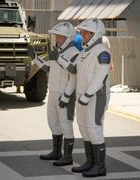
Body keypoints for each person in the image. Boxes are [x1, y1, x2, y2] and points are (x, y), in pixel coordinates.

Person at [58, 19, 111, 177]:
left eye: (86, 32)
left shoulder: (102, 51)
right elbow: (74, 71)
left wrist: (87, 95)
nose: (82, 35)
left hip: (96, 96)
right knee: (84, 129)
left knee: (94, 129)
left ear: (95, 34)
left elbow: (101, 75)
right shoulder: (84, 52)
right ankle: (90, 162)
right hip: (82, 95)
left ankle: (100, 166)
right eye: (82, 32)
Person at [27, 22, 80, 166]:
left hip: (65, 95)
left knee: (66, 124)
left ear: (68, 38)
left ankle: (68, 157)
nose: (57, 39)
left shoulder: (75, 53)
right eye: (56, 36)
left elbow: (74, 74)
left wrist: (67, 95)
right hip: (53, 93)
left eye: (60, 37)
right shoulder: (56, 51)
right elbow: (47, 68)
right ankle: (56, 152)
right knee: (53, 123)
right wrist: (35, 58)